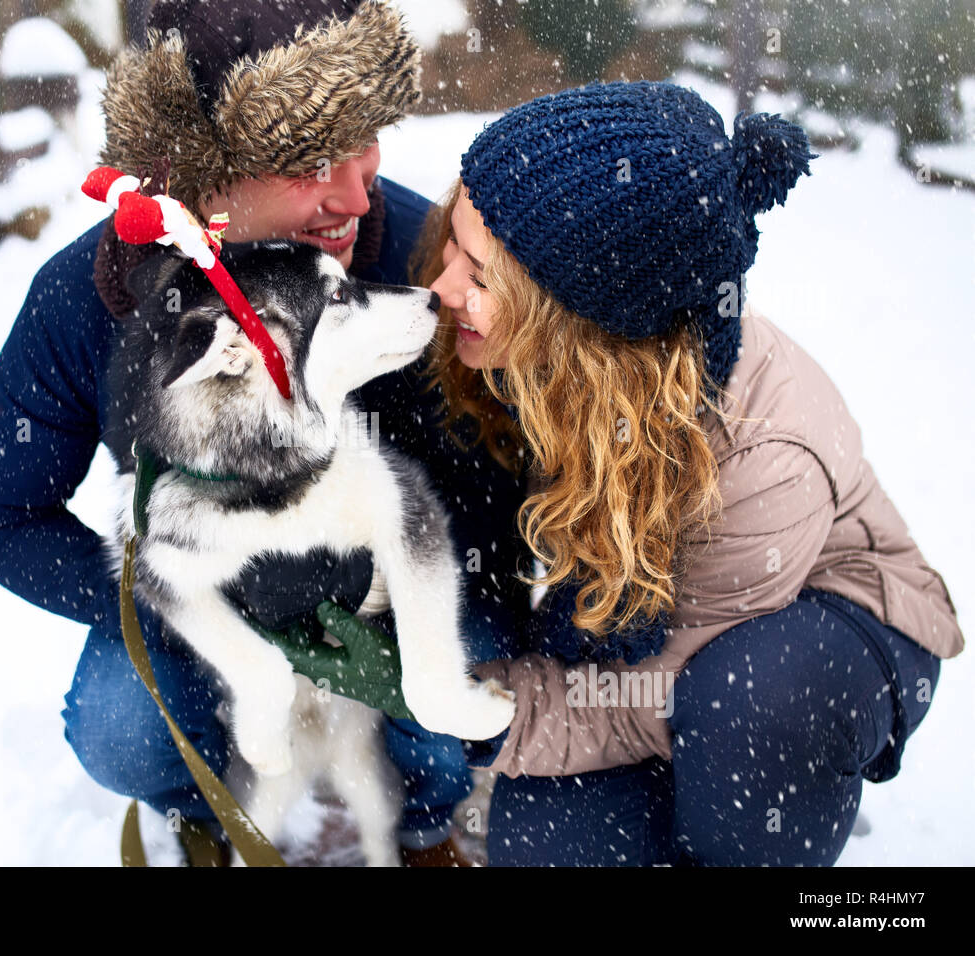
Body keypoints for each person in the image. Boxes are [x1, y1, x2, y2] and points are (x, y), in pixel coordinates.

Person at [0, 0, 533, 866]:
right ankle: (207, 808)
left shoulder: (415, 258)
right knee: (118, 723)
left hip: (383, 580)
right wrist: (190, 600)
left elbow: (505, 486)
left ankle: (421, 823)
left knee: (465, 656)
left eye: (364, 135)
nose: (356, 188)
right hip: (204, 591)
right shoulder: (81, 303)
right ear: (194, 172)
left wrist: (384, 582)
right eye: (307, 159)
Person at [410, 81, 964, 865]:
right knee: (545, 842)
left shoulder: (764, 455)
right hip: (670, 644)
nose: (441, 286)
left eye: (481, 273)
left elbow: (654, 696)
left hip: (827, 636)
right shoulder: (549, 368)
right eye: (453, 243)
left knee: (748, 705)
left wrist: (487, 709)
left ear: (578, 321)